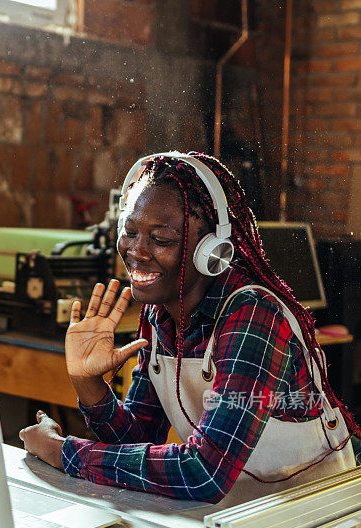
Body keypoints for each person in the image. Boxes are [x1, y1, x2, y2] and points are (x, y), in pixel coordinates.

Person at [19, 151, 358, 505]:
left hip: (315, 526)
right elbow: (137, 439)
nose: (136, 251)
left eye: (161, 239)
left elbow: (203, 473)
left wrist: (63, 451)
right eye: (130, 232)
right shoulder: (159, 315)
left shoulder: (253, 316)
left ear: (212, 250)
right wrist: (89, 385)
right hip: (236, 522)